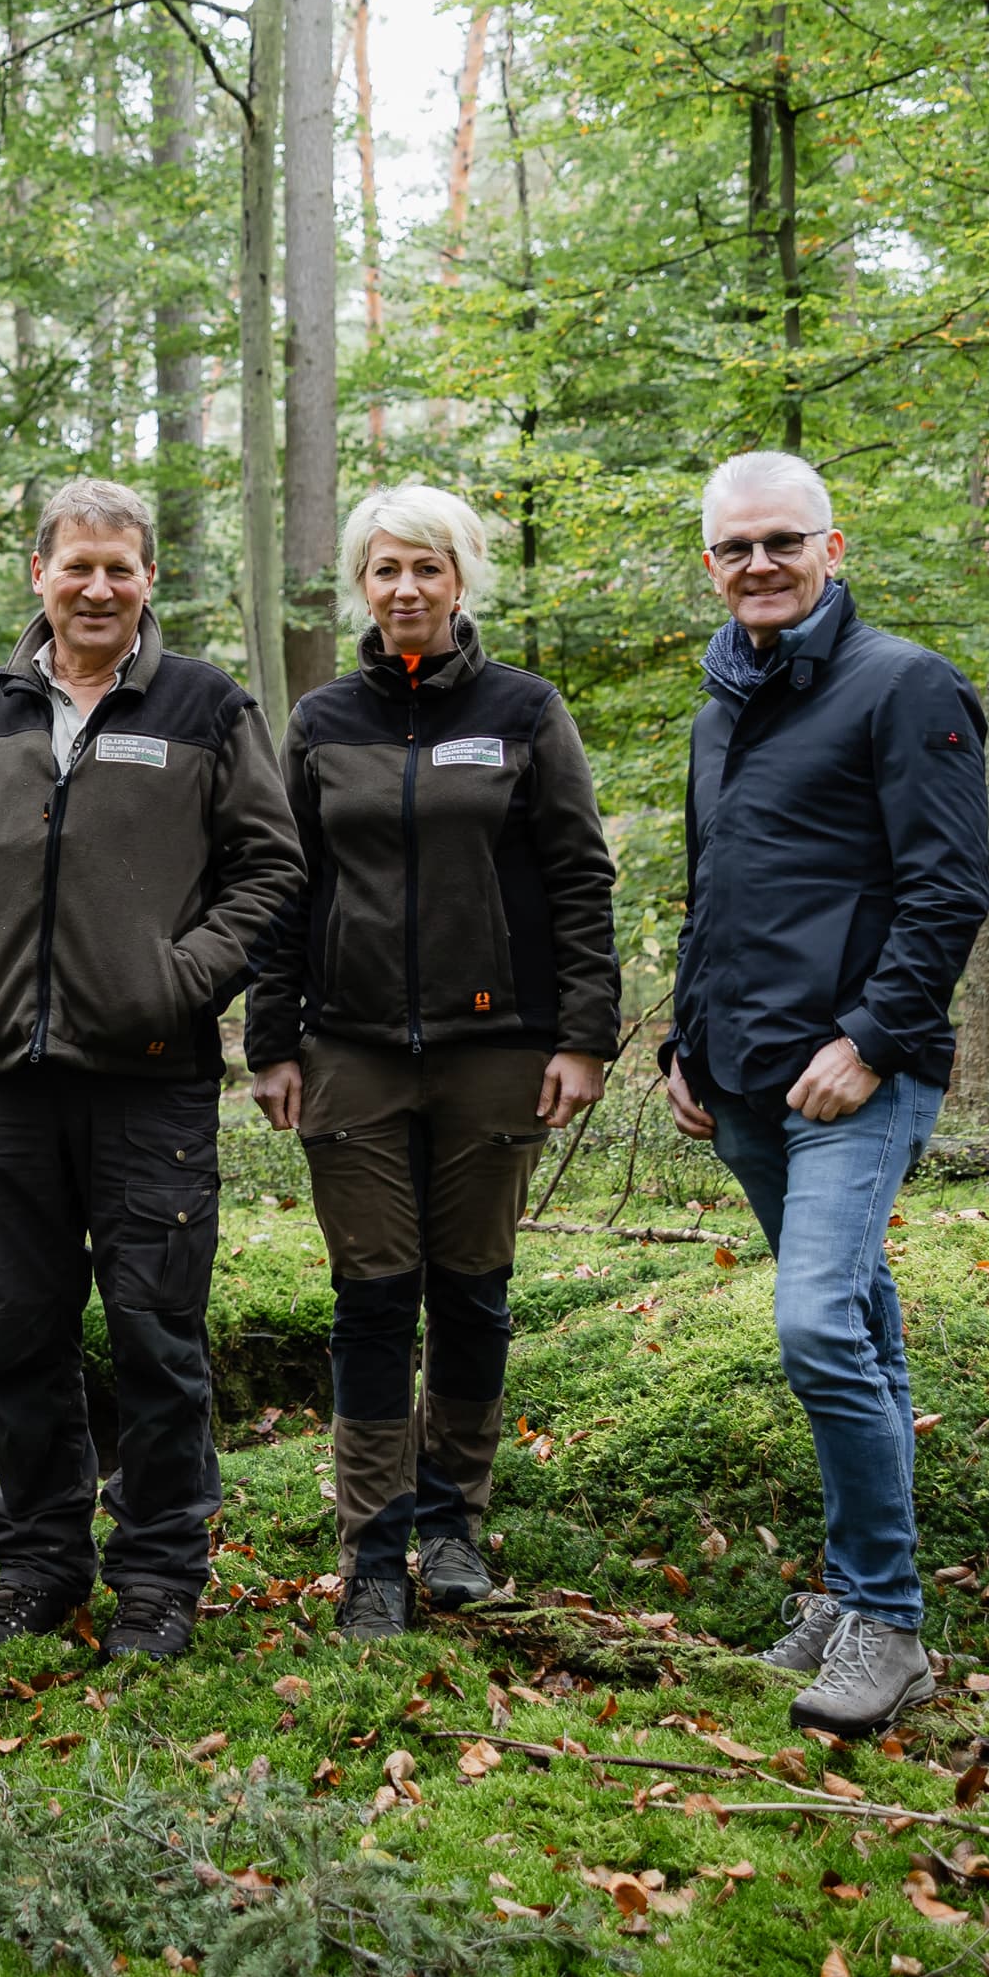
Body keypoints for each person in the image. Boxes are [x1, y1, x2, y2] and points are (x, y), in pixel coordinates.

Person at [0, 478, 302, 1664]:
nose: (97, 587)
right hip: (8, 1086)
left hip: (150, 1085)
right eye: (76, 565)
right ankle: (35, 1562)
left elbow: (270, 870)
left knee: (155, 1338)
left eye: (119, 568)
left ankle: (161, 1576)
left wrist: (177, 981)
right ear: (40, 574)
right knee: (20, 1334)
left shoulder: (204, 705)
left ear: (147, 580)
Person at [244, 484, 619, 1645]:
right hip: (349, 1052)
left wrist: (583, 1033)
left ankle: (453, 1522)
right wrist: (271, 1038)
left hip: (496, 1050)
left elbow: (577, 875)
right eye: (385, 569)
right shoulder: (320, 721)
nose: (406, 589)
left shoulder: (524, 709)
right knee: (370, 1298)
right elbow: (281, 886)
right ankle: (374, 1555)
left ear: (461, 581)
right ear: (362, 585)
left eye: (428, 568)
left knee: (471, 1289)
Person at [660, 449, 989, 1738]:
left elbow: (947, 889)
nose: (760, 564)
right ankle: (852, 1592)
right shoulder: (719, 707)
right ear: (711, 565)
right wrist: (684, 1045)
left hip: (854, 1077)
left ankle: (890, 1624)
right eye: (737, 548)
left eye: (783, 542)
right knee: (861, 1319)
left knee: (813, 1332)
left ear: (832, 547)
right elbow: (715, 899)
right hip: (742, 1074)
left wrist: (870, 1040)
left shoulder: (905, 686)